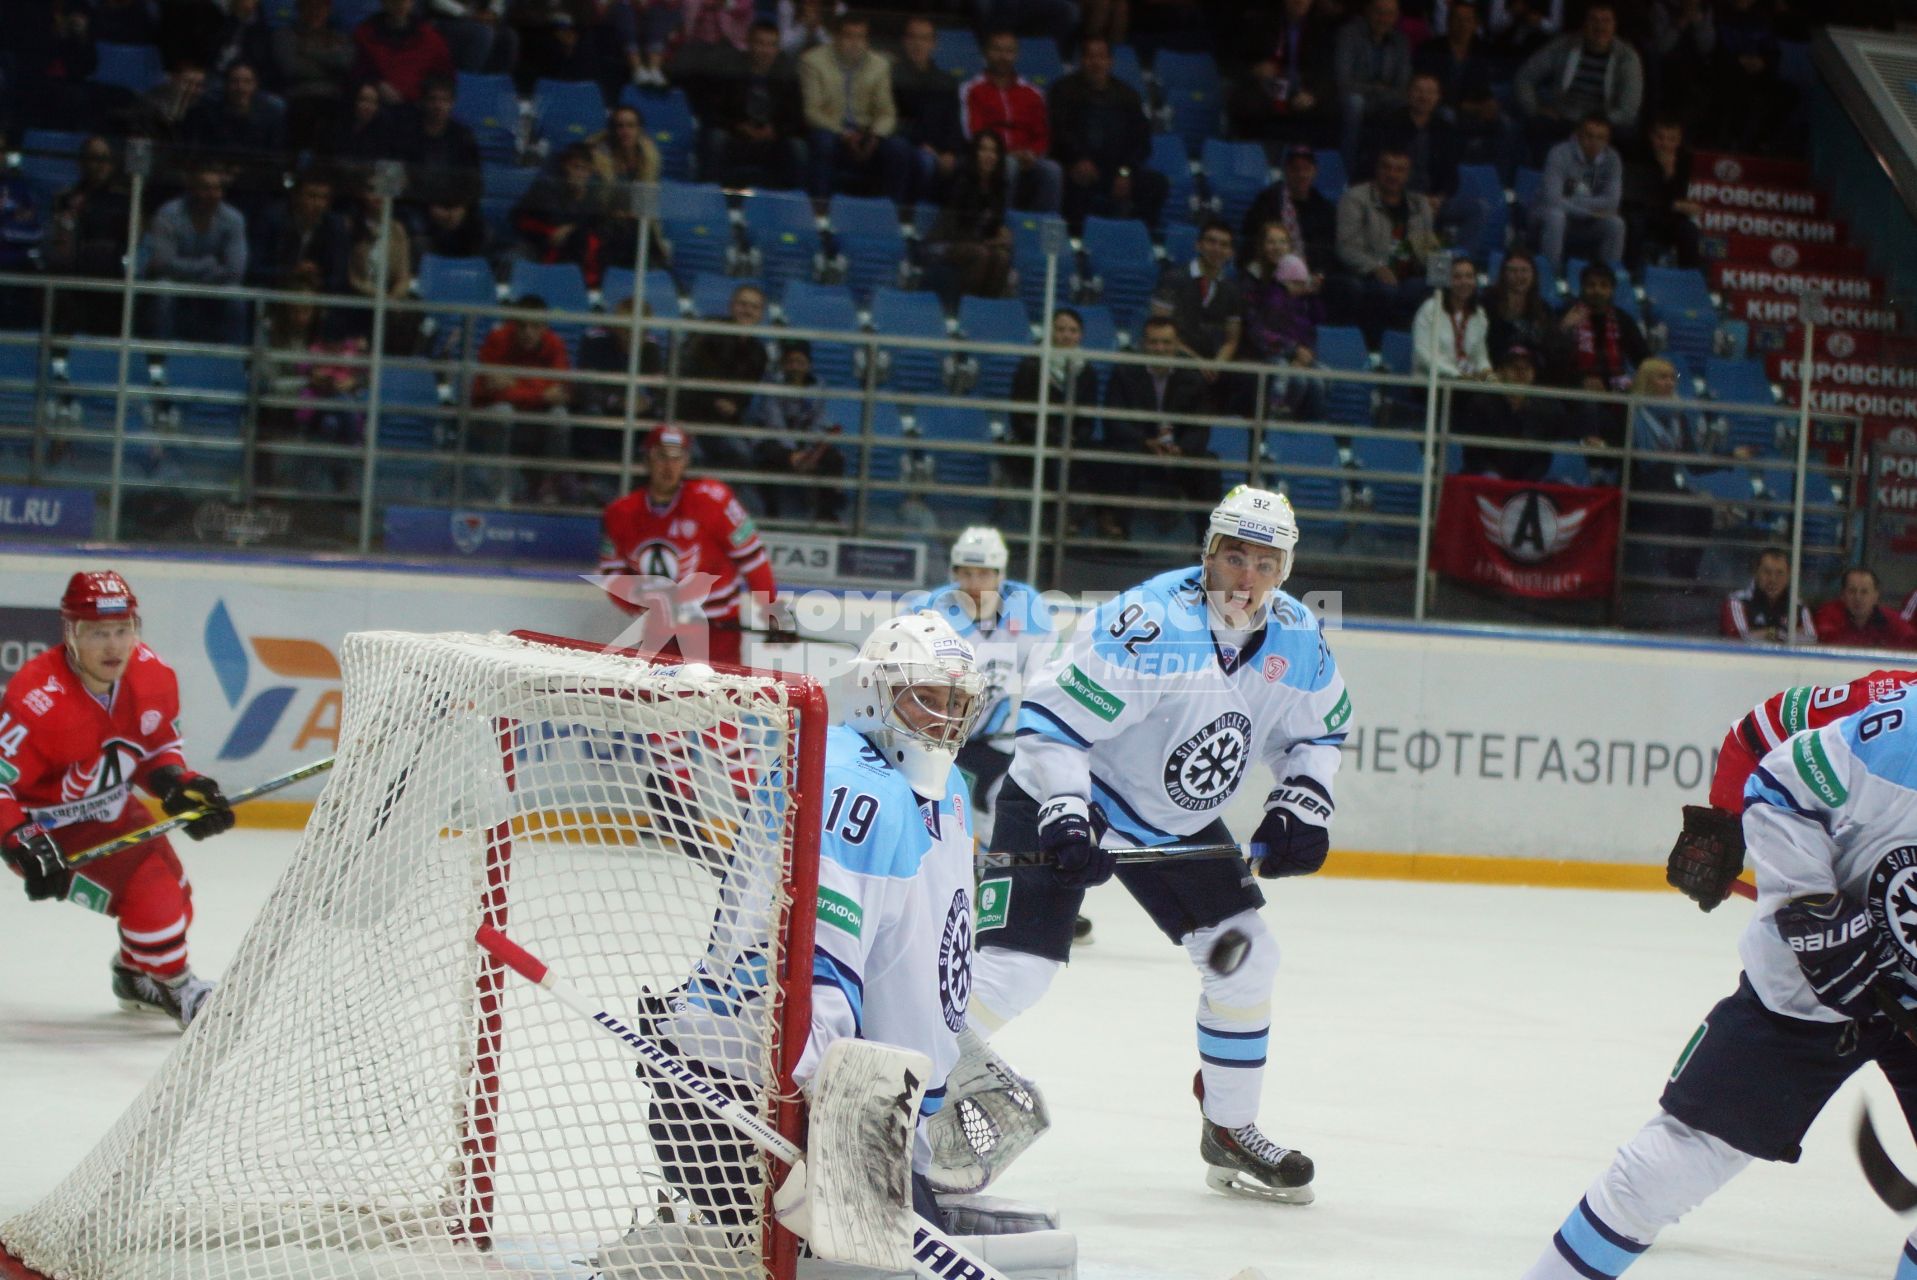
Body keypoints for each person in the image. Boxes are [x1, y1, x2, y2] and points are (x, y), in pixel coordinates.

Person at [960, 485, 1347, 1206]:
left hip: (1173, 819)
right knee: (1013, 974)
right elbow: (1051, 728)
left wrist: (1301, 806)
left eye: (1265, 563)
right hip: (1071, 788)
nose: (1246, 577)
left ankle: (1228, 1129)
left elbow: (1317, 733)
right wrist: (1069, 817)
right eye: (1233, 556)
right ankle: (894, 1093)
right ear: (1207, 554)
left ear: (1285, 571)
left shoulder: (1296, 636)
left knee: (1246, 958)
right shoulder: (1146, 623)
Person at [593, 608, 991, 1270]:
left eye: (956, 703)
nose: (943, 721)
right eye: (926, 698)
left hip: (842, 1103)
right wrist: (823, 1140)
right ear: (872, 690)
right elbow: (813, 984)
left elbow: (918, 950)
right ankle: (678, 1254)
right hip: (755, 1109)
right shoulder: (849, 782)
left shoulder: (940, 783)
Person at [1523, 699, 1917, 1279]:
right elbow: (1780, 781)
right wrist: (1814, 907)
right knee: (1665, 1171)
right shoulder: (1901, 729)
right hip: (1804, 990)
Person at [0, 571, 236, 1030]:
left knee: (178, 899)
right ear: (71, 634)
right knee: (155, 900)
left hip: (113, 813)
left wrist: (175, 784)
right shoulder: (36, 698)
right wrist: (18, 837)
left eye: (123, 630)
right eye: (98, 633)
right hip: (49, 832)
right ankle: (178, 987)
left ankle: (134, 976)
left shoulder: (153, 675)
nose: (113, 646)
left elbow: (155, 748)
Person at [597, 422, 778, 668]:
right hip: (660, 633)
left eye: (677, 457)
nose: (669, 466)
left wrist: (772, 612)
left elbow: (752, 558)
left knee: (720, 703)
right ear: (647, 460)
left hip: (718, 631)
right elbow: (613, 574)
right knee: (657, 702)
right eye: (661, 456)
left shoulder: (714, 500)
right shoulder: (620, 514)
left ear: (687, 461)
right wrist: (643, 606)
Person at [1626, 356, 1754, 579]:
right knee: (1679, 508)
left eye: (1672, 378)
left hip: (1666, 487)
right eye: (1662, 377)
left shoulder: (1679, 418)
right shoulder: (1630, 413)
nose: (1669, 382)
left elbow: (1694, 464)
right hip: (1637, 485)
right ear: (1647, 381)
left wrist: (1730, 456)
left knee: (1701, 511)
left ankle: (1683, 575)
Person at [1097, 315, 1218, 540]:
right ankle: (1117, 533)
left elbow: (1200, 427)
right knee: (1121, 458)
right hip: (1140, 447)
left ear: (1176, 345)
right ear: (1144, 344)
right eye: (1154, 342)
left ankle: (1207, 543)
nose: (1160, 348)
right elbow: (1114, 421)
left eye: (1166, 342)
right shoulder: (1124, 372)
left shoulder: (1192, 377)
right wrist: (1145, 441)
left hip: (1178, 453)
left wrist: (1181, 448)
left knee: (1209, 465)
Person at [1047, 36, 1164, 231]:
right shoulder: (1063, 90)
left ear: (1110, 61)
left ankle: (1139, 236)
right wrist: (1078, 159)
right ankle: (1076, 237)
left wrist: (1124, 171)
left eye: (1101, 57)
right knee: (1075, 181)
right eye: (1090, 57)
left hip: (1116, 169)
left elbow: (1141, 141)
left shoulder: (1127, 95)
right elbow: (1059, 131)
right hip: (1076, 165)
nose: (1096, 62)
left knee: (1156, 183)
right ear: (1081, 60)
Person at [798, 13, 912, 204]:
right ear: (836, 37)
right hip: (833, 132)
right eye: (849, 36)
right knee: (823, 142)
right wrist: (844, 134)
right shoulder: (812, 61)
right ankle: (820, 210)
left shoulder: (880, 65)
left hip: (867, 134)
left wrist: (875, 135)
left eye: (860, 37)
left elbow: (887, 113)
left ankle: (895, 213)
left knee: (899, 149)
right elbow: (812, 112)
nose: (855, 43)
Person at [1332, 145, 1439, 345]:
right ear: (1377, 169)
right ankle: (1374, 349)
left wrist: (1445, 272)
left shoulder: (1420, 204)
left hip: (1407, 277)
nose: (1392, 174)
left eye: (1400, 170)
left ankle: (1414, 349)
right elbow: (1346, 247)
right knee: (1384, 291)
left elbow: (1428, 252)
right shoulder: (1355, 198)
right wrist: (1376, 268)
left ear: (1408, 174)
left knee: (1439, 289)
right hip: (1367, 275)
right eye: (1386, 167)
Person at [1513, 0, 1643, 151]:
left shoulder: (1627, 56)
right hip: (1565, 118)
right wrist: (1535, 108)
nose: (1600, 27)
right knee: (1532, 124)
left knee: (1626, 132)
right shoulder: (1564, 45)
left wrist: (1593, 126)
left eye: (1606, 21)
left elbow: (1629, 109)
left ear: (1615, 25)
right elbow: (1524, 77)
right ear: (1584, 23)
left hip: (1605, 121)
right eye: (1594, 20)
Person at [145, 165, 249, 347]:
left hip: (215, 284)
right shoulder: (168, 214)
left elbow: (235, 270)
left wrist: (189, 270)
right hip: (176, 282)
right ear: (191, 189)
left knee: (236, 296)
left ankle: (234, 361)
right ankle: (158, 357)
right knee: (163, 290)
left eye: (217, 188)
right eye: (206, 188)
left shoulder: (233, 219)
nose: (213, 194)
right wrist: (209, 265)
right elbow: (161, 262)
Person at [698, 20, 807, 190]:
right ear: (749, 44)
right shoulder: (729, 70)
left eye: (771, 45)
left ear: (777, 49)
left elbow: (797, 119)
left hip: (773, 142)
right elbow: (712, 110)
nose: (765, 50)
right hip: (736, 138)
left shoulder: (788, 77)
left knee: (797, 147)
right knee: (715, 138)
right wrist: (738, 126)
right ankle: (709, 197)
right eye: (760, 43)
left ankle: (794, 206)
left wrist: (775, 130)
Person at [961, 31, 1061, 214]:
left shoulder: (1033, 93)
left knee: (1052, 170)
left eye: (1009, 51)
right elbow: (973, 131)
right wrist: (1006, 153)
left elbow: (1042, 134)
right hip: (991, 155)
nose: (1003, 56)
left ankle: (1042, 228)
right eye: (997, 50)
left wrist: (1032, 154)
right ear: (986, 52)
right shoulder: (972, 89)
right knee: (1009, 165)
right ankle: (1001, 226)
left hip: (1028, 157)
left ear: (1016, 54)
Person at [747, 338, 846, 524]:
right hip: (775, 441)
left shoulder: (818, 387)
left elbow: (817, 420)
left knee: (834, 457)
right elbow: (774, 424)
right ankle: (770, 513)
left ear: (808, 365)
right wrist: (794, 454)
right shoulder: (773, 386)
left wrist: (812, 449)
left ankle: (826, 514)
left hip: (804, 444)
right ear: (784, 365)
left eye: (800, 362)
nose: (795, 367)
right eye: (790, 362)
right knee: (768, 455)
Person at [677, 283, 771, 471]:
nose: (747, 311)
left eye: (754, 307)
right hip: (689, 417)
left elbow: (744, 397)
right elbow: (686, 377)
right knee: (693, 458)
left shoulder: (759, 353)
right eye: (743, 304)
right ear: (731, 306)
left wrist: (734, 405)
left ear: (761, 314)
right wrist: (715, 401)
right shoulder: (708, 332)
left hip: (723, 424)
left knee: (743, 456)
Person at [1241, 220, 1326, 424]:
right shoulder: (1251, 280)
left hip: (1295, 352)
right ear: (1261, 246)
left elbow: (1308, 323)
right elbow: (1255, 329)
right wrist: (1293, 350)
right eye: (1271, 242)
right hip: (1261, 354)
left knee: (1321, 377)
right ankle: (1273, 431)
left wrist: (1306, 352)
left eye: (1283, 241)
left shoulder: (1297, 281)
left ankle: (1310, 437)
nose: (1277, 247)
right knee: (1295, 380)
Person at [1005, 307, 1098, 494]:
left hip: (1072, 440)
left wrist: (1076, 437)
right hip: (1035, 438)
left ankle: (1077, 518)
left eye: (1073, 330)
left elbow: (1088, 418)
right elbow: (1020, 417)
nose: (1066, 335)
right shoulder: (1031, 366)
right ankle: (1056, 518)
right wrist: (1051, 435)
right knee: (1053, 458)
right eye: (1060, 329)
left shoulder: (1087, 371)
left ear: (1081, 335)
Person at [1230, 0, 1337, 148]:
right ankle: (1253, 154)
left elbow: (1326, 72)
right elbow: (1238, 62)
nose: (1300, 2)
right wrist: (1256, 69)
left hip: (1302, 89)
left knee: (1331, 106)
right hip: (1268, 86)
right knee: (1247, 101)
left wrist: (1313, 94)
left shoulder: (1319, 28)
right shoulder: (1263, 23)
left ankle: (1311, 160)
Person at [1151, 219, 1244, 387]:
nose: (1217, 249)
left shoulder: (1232, 290)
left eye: (1224, 245)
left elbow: (1231, 341)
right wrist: (1197, 363)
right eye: (1211, 242)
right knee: (1192, 380)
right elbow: (1158, 330)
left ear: (1230, 252)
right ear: (1198, 245)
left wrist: (1216, 365)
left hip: (1211, 362)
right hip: (1174, 356)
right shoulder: (1173, 279)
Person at [1454, 342, 1566, 479]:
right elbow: (1473, 454)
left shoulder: (1547, 408)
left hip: (1530, 480)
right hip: (1488, 477)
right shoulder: (1481, 404)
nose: (1521, 372)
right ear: (1500, 372)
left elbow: (1545, 454)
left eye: (1527, 367)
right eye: (1514, 367)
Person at [925, 130, 1013, 303]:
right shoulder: (961, 182)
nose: (989, 155)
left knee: (1002, 257)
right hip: (945, 242)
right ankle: (966, 308)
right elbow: (954, 229)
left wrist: (1002, 236)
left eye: (994, 151)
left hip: (978, 244)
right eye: (983, 149)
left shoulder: (999, 188)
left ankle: (987, 309)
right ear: (975, 154)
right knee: (981, 254)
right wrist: (988, 242)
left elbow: (993, 227)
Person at [1535, 112, 1625, 271]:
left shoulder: (1613, 160)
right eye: (1589, 136)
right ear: (1577, 135)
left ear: (1607, 140)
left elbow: (1612, 202)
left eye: (1600, 138)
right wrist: (1591, 212)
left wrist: (1570, 200)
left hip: (1586, 224)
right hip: (1545, 218)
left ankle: (1606, 276)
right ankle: (1550, 274)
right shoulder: (1559, 153)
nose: (1594, 142)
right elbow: (1552, 200)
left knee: (1616, 224)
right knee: (1556, 216)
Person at [891, 15, 966, 204]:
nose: (918, 44)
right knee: (923, 161)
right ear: (904, 41)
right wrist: (924, 145)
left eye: (924, 38)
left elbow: (954, 123)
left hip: (940, 149)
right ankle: (910, 215)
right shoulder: (892, 77)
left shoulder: (946, 82)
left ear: (934, 44)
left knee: (965, 165)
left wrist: (950, 151)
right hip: (907, 146)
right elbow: (893, 122)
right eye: (913, 38)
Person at [1332, 0, 1411, 166]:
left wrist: (1382, 92)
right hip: (1352, 97)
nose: (1383, 18)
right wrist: (1377, 89)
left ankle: (1394, 167)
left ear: (1396, 17)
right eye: (1379, 12)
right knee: (1355, 103)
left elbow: (1402, 85)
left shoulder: (1400, 41)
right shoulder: (1349, 34)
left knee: (1407, 104)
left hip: (1386, 99)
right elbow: (1343, 81)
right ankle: (1347, 166)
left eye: (1389, 14)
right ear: (1367, 11)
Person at [272, 0, 357, 153]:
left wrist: (309, 53)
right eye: (309, 6)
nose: (315, 12)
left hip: (333, 98)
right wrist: (328, 64)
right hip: (298, 97)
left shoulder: (339, 37)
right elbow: (291, 68)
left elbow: (345, 62)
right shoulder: (285, 35)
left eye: (320, 7)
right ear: (300, 8)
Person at [1622, 115, 1701, 272]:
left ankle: (1688, 278)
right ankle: (1630, 274)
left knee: (1689, 229)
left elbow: (1680, 197)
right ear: (1651, 136)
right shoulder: (1638, 154)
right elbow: (1638, 196)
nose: (1665, 144)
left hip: (1666, 217)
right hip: (1640, 214)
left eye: (1672, 139)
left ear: (1679, 141)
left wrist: (1669, 174)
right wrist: (1673, 204)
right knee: (1636, 223)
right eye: (1660, 138)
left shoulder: (1683, 159)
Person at [1241, 144, 1335, 275]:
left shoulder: (1323, 207)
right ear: (1286, 171)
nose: (1301, 174)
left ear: (1315, 171)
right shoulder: (1267, 200)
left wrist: (1318, 273)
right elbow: (1253, 238)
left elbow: (1326, 249)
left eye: (1306, 169)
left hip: (1310, 272)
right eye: (1295, 169)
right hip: (1270, 268)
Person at [353, 0, 455, 106]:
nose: (400, 4)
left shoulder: (429, 38)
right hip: (374, 106)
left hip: (417, 110)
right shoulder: (365, 34)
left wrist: (420, 93)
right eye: (395, 1)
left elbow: (445, 78)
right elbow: (356, 72)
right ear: (383, 2)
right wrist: (376, 84)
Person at [1411, 255, 1490, 378]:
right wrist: (1456, 374)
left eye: (1469, 276)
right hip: (1431, 381)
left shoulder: (1479, 314)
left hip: (1465, 382)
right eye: (1457, 277)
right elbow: (1423, 354)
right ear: (1447, 281)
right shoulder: (1430, 309)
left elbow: (1479, 356)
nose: (1464, 282)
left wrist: (1487, 372)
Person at [1721, 546, 1816, 645]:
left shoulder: (1798, 606)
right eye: (1767, 572)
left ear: (1788, 575)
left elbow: (1811, 639)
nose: (1773, 579)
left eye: (1779, 573)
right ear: (1755, 572)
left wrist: (1768, 633)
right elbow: (1738, 639)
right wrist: (1777, 633)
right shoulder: (1737, 602)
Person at [1814, 567, 1917, 650]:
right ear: (1842, 595)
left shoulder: (1890, 619)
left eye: (1864, 592)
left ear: (1876, 596)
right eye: (1852, 591)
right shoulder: (1828, 615)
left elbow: (1911, 645)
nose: (1858, 598)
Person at [1484, 248, 1555, 365]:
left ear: (1533, 274)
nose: (1519, 276)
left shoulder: (1543, 309)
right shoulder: (1489, 303)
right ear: (1504, 274)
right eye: (1513, 271)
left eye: (1524, 270)